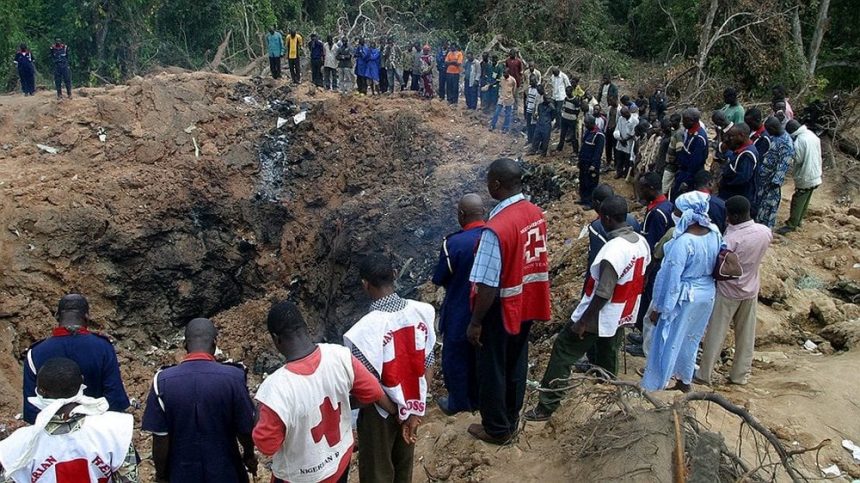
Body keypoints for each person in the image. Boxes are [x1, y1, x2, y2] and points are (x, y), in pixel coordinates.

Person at [525, 196, 650, 421]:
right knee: (608, 346)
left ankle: (547, 405)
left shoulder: (613, 250)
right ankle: (607, 386)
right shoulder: (640, 242)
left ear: (607, 219)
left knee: (564, 349)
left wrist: (583, 321)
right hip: (622, 311)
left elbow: (603, 292)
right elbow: (645, 275)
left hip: (601, 313)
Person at [253, 301, 395, 483]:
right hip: (339, 462)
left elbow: (267, 446)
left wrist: (259, 414)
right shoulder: (340, 356)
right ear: (306, 328)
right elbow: (373, 393)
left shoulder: (275, 389)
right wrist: (343, 402)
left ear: (276, 339)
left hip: (299, 476)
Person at [466, 158, 551, 444]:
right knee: (516, 362)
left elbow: (488, 284)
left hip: (502, 307)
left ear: (497, 184)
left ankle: (496, 428)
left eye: (490, 180)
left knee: (492, 368)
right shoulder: (534, 212)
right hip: (527, 300)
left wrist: (476, 321)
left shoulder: (497, 228)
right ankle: (511, 419)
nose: (488, 184)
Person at [344, 254, 436, 483]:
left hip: (380, 412)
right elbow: (429, 364)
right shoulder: (422, 312)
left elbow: (368, 386)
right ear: (394, 275)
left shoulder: (361, 332)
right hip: (413, 402)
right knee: (403, 467)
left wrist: (397, 412)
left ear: (365, 284)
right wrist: (413, 412)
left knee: (378, 472)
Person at [142, 319, 256, 483]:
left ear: (184, 344)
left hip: (181, 474)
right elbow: (245, 429)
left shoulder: (162, 381)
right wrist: (249, 455)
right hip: (226, 472)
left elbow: (160, 438)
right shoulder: (234, 378)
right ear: (215, 343)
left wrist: (161, 475)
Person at [0, 358, 137, 483]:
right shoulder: (115, 430)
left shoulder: (18, 446)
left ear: (40, 391)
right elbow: (129, 479)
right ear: (82, 382)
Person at [641, 191, 722, 392]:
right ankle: (684, 380)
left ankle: (657, 383)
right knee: (691, 339)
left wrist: (659, 308)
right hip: (706, 294)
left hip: (684, 296)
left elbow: (670, 279)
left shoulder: (683, 242)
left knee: (668, 341)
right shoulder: (715, 232)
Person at [696, 196, 771, 386]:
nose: (727, 218)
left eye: (729, 215)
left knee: (716, 333)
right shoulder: (764, 232)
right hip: (751, 289)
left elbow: (718, 265)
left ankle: (705, 374)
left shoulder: (730, 240)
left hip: (727, 292)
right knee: (746, 335)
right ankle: (740, 375)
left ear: (735, 216)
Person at [23, 294, 130, 424]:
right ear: (87, 317)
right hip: (94, 432)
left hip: (50, 435)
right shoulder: (103, 347)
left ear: (57, 316)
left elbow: (31, 408)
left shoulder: (35, 352)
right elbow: (115, 399)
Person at [432, 194, 486, 414]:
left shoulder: (453, 243)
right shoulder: (495, 236)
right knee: (482, 356)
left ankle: (458, 403)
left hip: (459, 309)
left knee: (456, 358)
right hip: (488, 309)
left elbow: (440, 277)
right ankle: (480, 399)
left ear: (462, 214)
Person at [777, 120, 823, 235]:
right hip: (815, 172)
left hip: (806, 174)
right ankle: (798, 221)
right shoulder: (811, 135)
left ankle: (791, 224)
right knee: (805, 199)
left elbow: (798, 159)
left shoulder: (800, 141)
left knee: (798, 199)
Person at [754, 116, 795, 228]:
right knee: (759, 204)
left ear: (773, 128)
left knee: (767, 207)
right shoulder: (775, 136)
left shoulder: (786, 144)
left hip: (771, 182)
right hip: (762, 178)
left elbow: (783, 165)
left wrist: (775, 181)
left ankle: (765, 229)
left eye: (768, 129)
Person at [672, 108, 709, 197]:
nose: (682, 123)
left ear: (691, 121)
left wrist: (686, 181)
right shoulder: (689, 132)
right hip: (683, 171)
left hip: (691, 175)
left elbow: (695, 162)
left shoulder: (699, 138)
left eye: (684, 120)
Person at [718, 123, 758, 204]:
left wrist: (724, 183)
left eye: (733, 136)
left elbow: (742, 178)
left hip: (737, 195)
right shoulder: (740, 149)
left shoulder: (748, 154)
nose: (730, 139)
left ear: (741, 136)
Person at [578, 115, 606, 207]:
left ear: (591, 123)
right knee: (583, 181)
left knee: (591, 183)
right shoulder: (588, 132)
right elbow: (583, 146)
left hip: (591, 164)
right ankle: (583, 199)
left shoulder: (599, 135)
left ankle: (591, 203)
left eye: (586, 124)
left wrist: (593, 165)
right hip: (584, 162)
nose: (585, 125)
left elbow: (598, 152)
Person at [613, 106, 638, 179]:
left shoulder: (635, 121)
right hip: (620, 141)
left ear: (628, 112)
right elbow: (617, 129)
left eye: (625, 114)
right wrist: (620, 140)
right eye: (622, 114)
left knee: (627, 159)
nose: (623, 116)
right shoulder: (621, 119)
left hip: (629, 143)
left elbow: (634, 133)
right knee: (619, 158)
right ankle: (619, 172)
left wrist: (625, 140)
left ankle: (626, 173)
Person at [490, 68, 516, 133]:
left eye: (505, 73)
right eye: (503, 73)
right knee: (496, 112)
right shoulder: (502, 78)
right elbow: (499, 84)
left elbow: (514, 90)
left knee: (508, 114)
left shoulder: (512, 80)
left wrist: (512, 98)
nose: (504, 74)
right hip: (501, 98)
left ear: (508, 73)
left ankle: (506, 127)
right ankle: (492, 125)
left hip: (509, 99)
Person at [661, 113, 683, 195]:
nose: (670, 123)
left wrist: (675, 161)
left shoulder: (678, 134)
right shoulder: (675, 132)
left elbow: (679, 150)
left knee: (665, 186)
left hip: (672, 166)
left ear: (677, 122)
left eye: (672, 121)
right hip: (669, 164)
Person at [530, 89, 555, 156]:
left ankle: (543, 152)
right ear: (544, 99)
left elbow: (553, 117)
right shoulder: (540, 106)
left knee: (545, 140)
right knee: (536, 138)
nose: (548, 100)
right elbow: (538, 114)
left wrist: (548, 121)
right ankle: (533, 150)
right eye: (546, 98)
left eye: (549, 99)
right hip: (539, 123)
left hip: (546, 125)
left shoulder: (551, 108)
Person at [557, 85, 581, 152]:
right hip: (564, 118)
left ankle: (575, 150)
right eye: (566, 92)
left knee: (573, 135)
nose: (567, 93)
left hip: (572, 120)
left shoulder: (575, 101)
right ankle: (560, 147)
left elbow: (577, 111)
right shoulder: (566, 99)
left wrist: (572, 116)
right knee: (562, 134)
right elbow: (563, 107)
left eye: (568, 92)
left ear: (572, 92)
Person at [505, 49, 524, 120]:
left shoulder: (519, 61)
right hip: (509, 82)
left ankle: (515, 114)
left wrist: (520, 81)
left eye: (513, 54)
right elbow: (506, 70)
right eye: (510, 54)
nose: (511, 55)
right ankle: (508, 111)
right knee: (508, 96)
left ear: (515, 54)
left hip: (516, 82)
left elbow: (521, 72)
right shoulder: (507, 61)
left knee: (516, 98)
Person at [604, 96, 619, 171]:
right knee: (608, 146)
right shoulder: (609, 108)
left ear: (616, 100)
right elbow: (608, 118)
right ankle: (608, 161)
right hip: (608, 129)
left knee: (615, 147)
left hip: (615, 130)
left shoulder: (619, 110)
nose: (609, 103)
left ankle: (616, 164)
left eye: (611, 101)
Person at [524, 75, 540, 144]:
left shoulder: (538, 90)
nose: (531, 82)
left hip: (534, 112)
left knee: (534, 126)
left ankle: (534, 141)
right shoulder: (530, 88)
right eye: (530, 81)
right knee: (528, 126)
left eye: (532, 81)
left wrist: (536, 112)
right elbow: (528, 98)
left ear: (536, 81)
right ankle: (529, 139)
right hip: (528, 110)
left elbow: (537, 103)